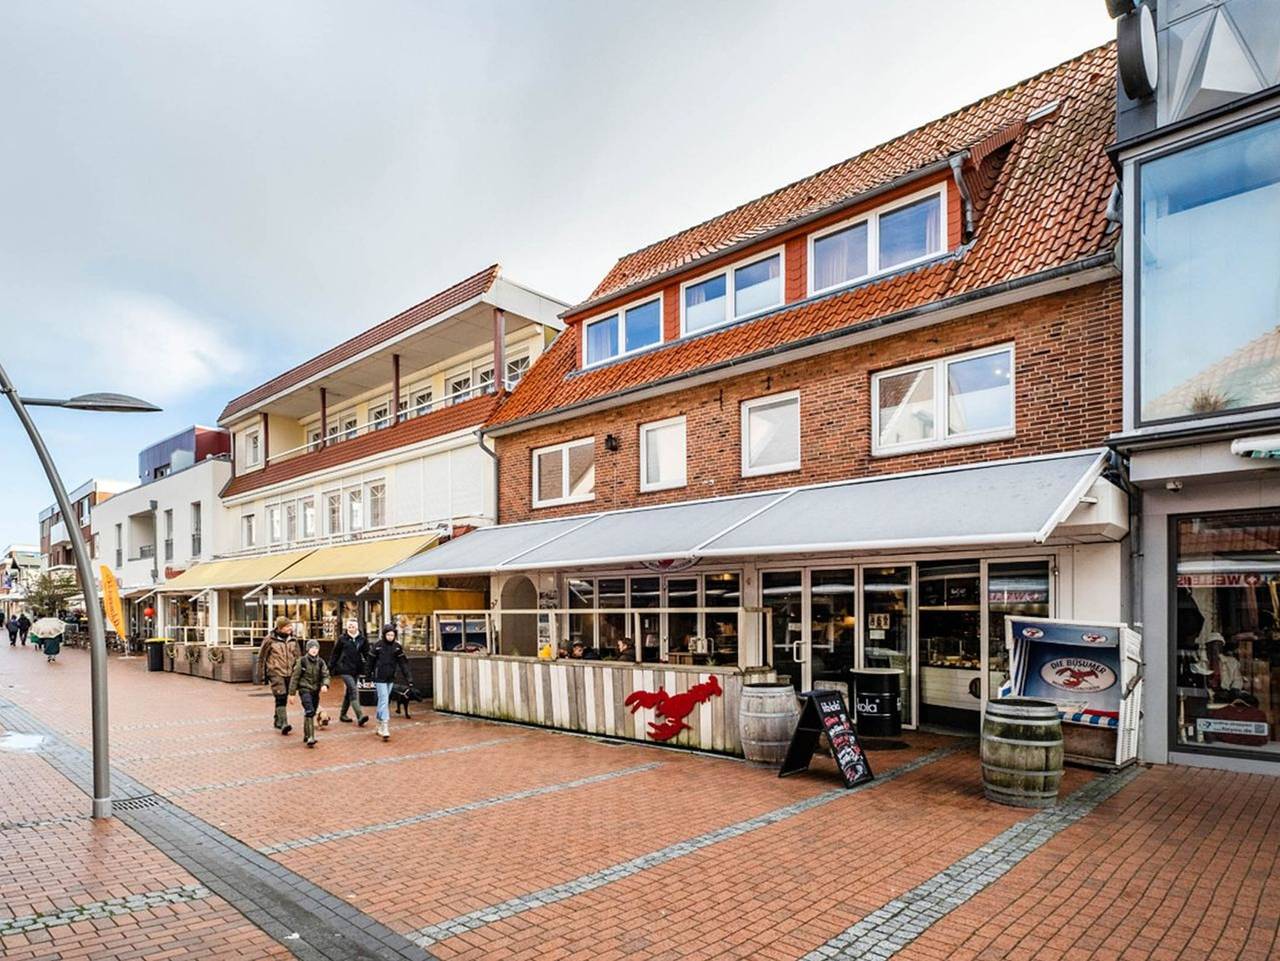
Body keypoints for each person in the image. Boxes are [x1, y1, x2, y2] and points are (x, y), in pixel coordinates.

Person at [367, 623, 412, 742]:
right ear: (384, 635)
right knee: (384, 700)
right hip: (379, 677)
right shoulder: (377, 646)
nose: (390, 637)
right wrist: (368, 675)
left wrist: (409, 678)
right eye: (388, 634)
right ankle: (385, 726)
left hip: (390, 677)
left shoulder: (397, 647)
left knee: (383, 701)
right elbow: (370, 662)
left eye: (392, 635)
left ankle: (378, 723)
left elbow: (403, 663)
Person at [257, 617, 300, 735]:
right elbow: (261, 657)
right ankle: (284, 723)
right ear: (280, 628)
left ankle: (277, 720)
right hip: (275, 672)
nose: (290, 628)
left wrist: (298, 670)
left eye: (290, 626)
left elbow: (298, 657)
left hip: (289, 672)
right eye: (287, 627)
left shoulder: (293, 640)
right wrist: (260, 675)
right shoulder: (270, 640)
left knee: (283, 696)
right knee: (281, 696)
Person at [288, 638, 331, 748]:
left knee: (310, 712)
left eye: (316, 648)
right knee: (310, 710)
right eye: (312, 648)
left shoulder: (321, 662)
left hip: (315, 690)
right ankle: (311, 737)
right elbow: (295, 678)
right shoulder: (301, 661)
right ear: (307, 649)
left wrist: (325, 684)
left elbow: (325, 675)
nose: (314, 650)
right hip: (304, 690)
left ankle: (306, 734)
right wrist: (291, 693)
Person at [329, 618, 370, 726]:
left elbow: (367, 654)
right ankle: (360, 715)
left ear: (357, 627)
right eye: (349, 626)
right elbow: (335, 654)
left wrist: (369, 667)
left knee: (349, 693)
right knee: (353, 689)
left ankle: (343, 714)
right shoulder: (342, 639)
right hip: (344, 668)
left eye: (353, 626)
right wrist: (330, 668)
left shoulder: (362, 639)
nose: (351, 628)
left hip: (356, 669)